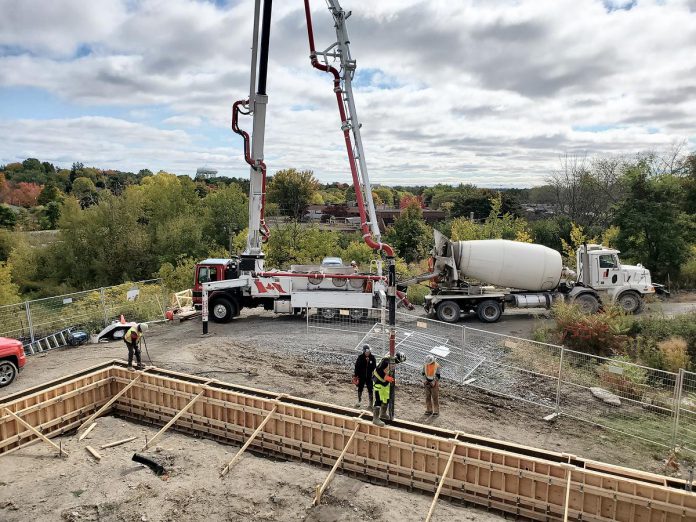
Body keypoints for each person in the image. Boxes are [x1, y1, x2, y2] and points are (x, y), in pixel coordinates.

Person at [372, 351, 406, 427]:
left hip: (384, 382)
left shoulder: (392, 362)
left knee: (386, 398)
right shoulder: (386, 361)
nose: (398, 363)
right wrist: (386, 377)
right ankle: (375, 418)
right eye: (398, 361)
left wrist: (388, 379)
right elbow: (379, 371)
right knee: (379, 399)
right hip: (378, 381)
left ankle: (383, 413)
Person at [353, 344, 376, 408]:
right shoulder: (360, 357)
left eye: (368, 352)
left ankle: (371, 403)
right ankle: (359, 401)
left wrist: (369, 363)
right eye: (366, 352)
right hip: (361, 376)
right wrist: (355, 376)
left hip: (369, 377)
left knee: (370, 389)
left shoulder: (372, 357)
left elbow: (374, 368)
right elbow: (357, 367)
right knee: (360, 388)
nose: (367, 353)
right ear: (364, 351)